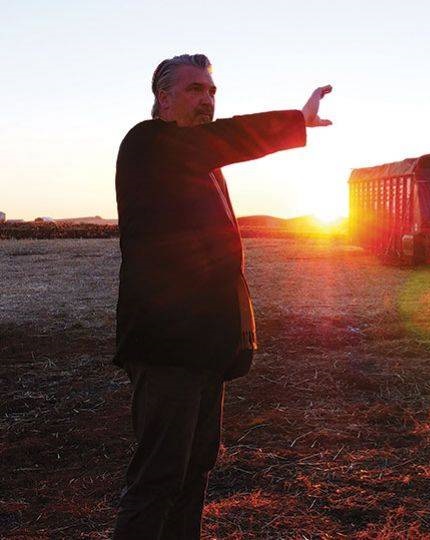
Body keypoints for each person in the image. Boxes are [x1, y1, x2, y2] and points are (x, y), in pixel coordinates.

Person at [112, 53, 332, 539]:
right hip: (165, 347)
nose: (207, 100)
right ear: (163, 98)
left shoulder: (204, 165)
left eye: (212, 91)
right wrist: (296, 121)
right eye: (195, 89)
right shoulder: (148, 144)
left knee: (194, 473)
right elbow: (227, 137)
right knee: (157, 479)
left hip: (205, 348)